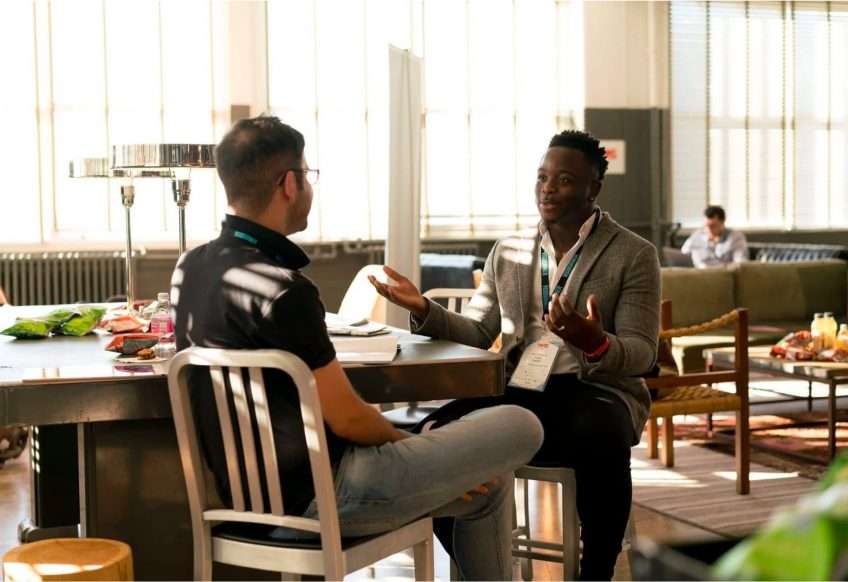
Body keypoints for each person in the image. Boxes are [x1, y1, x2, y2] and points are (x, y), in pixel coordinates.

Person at [170, 115, 543, 580]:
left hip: (240, 500)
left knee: (487, 486)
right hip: (329, 493)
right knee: (521, 422)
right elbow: (345, 416)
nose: (309, 186)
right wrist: (411, 443)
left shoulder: (190, 268)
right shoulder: (286, 290)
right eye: (308, 175)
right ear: (289, 183)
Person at [370, 129, 660, 580]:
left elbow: (642, 353)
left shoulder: (633, 254)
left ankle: (596, 571)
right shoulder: (508, 252)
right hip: (521, 387)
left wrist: (594, 341)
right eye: (542, 177)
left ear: (593, 188)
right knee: (439, 431)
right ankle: (480, 568)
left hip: (596, 391)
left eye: (563, 180)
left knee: (600, 432)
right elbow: (479, 331)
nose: (547, 188)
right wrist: (424, 309)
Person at [681, 205, 748, 268]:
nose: (708, 230)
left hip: (722, 272)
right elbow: (684, 253)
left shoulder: (735, 237)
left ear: (722, 222)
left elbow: (740, 262)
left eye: (713, 226)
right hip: (699, 273)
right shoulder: (698, 234)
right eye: (706, 226)